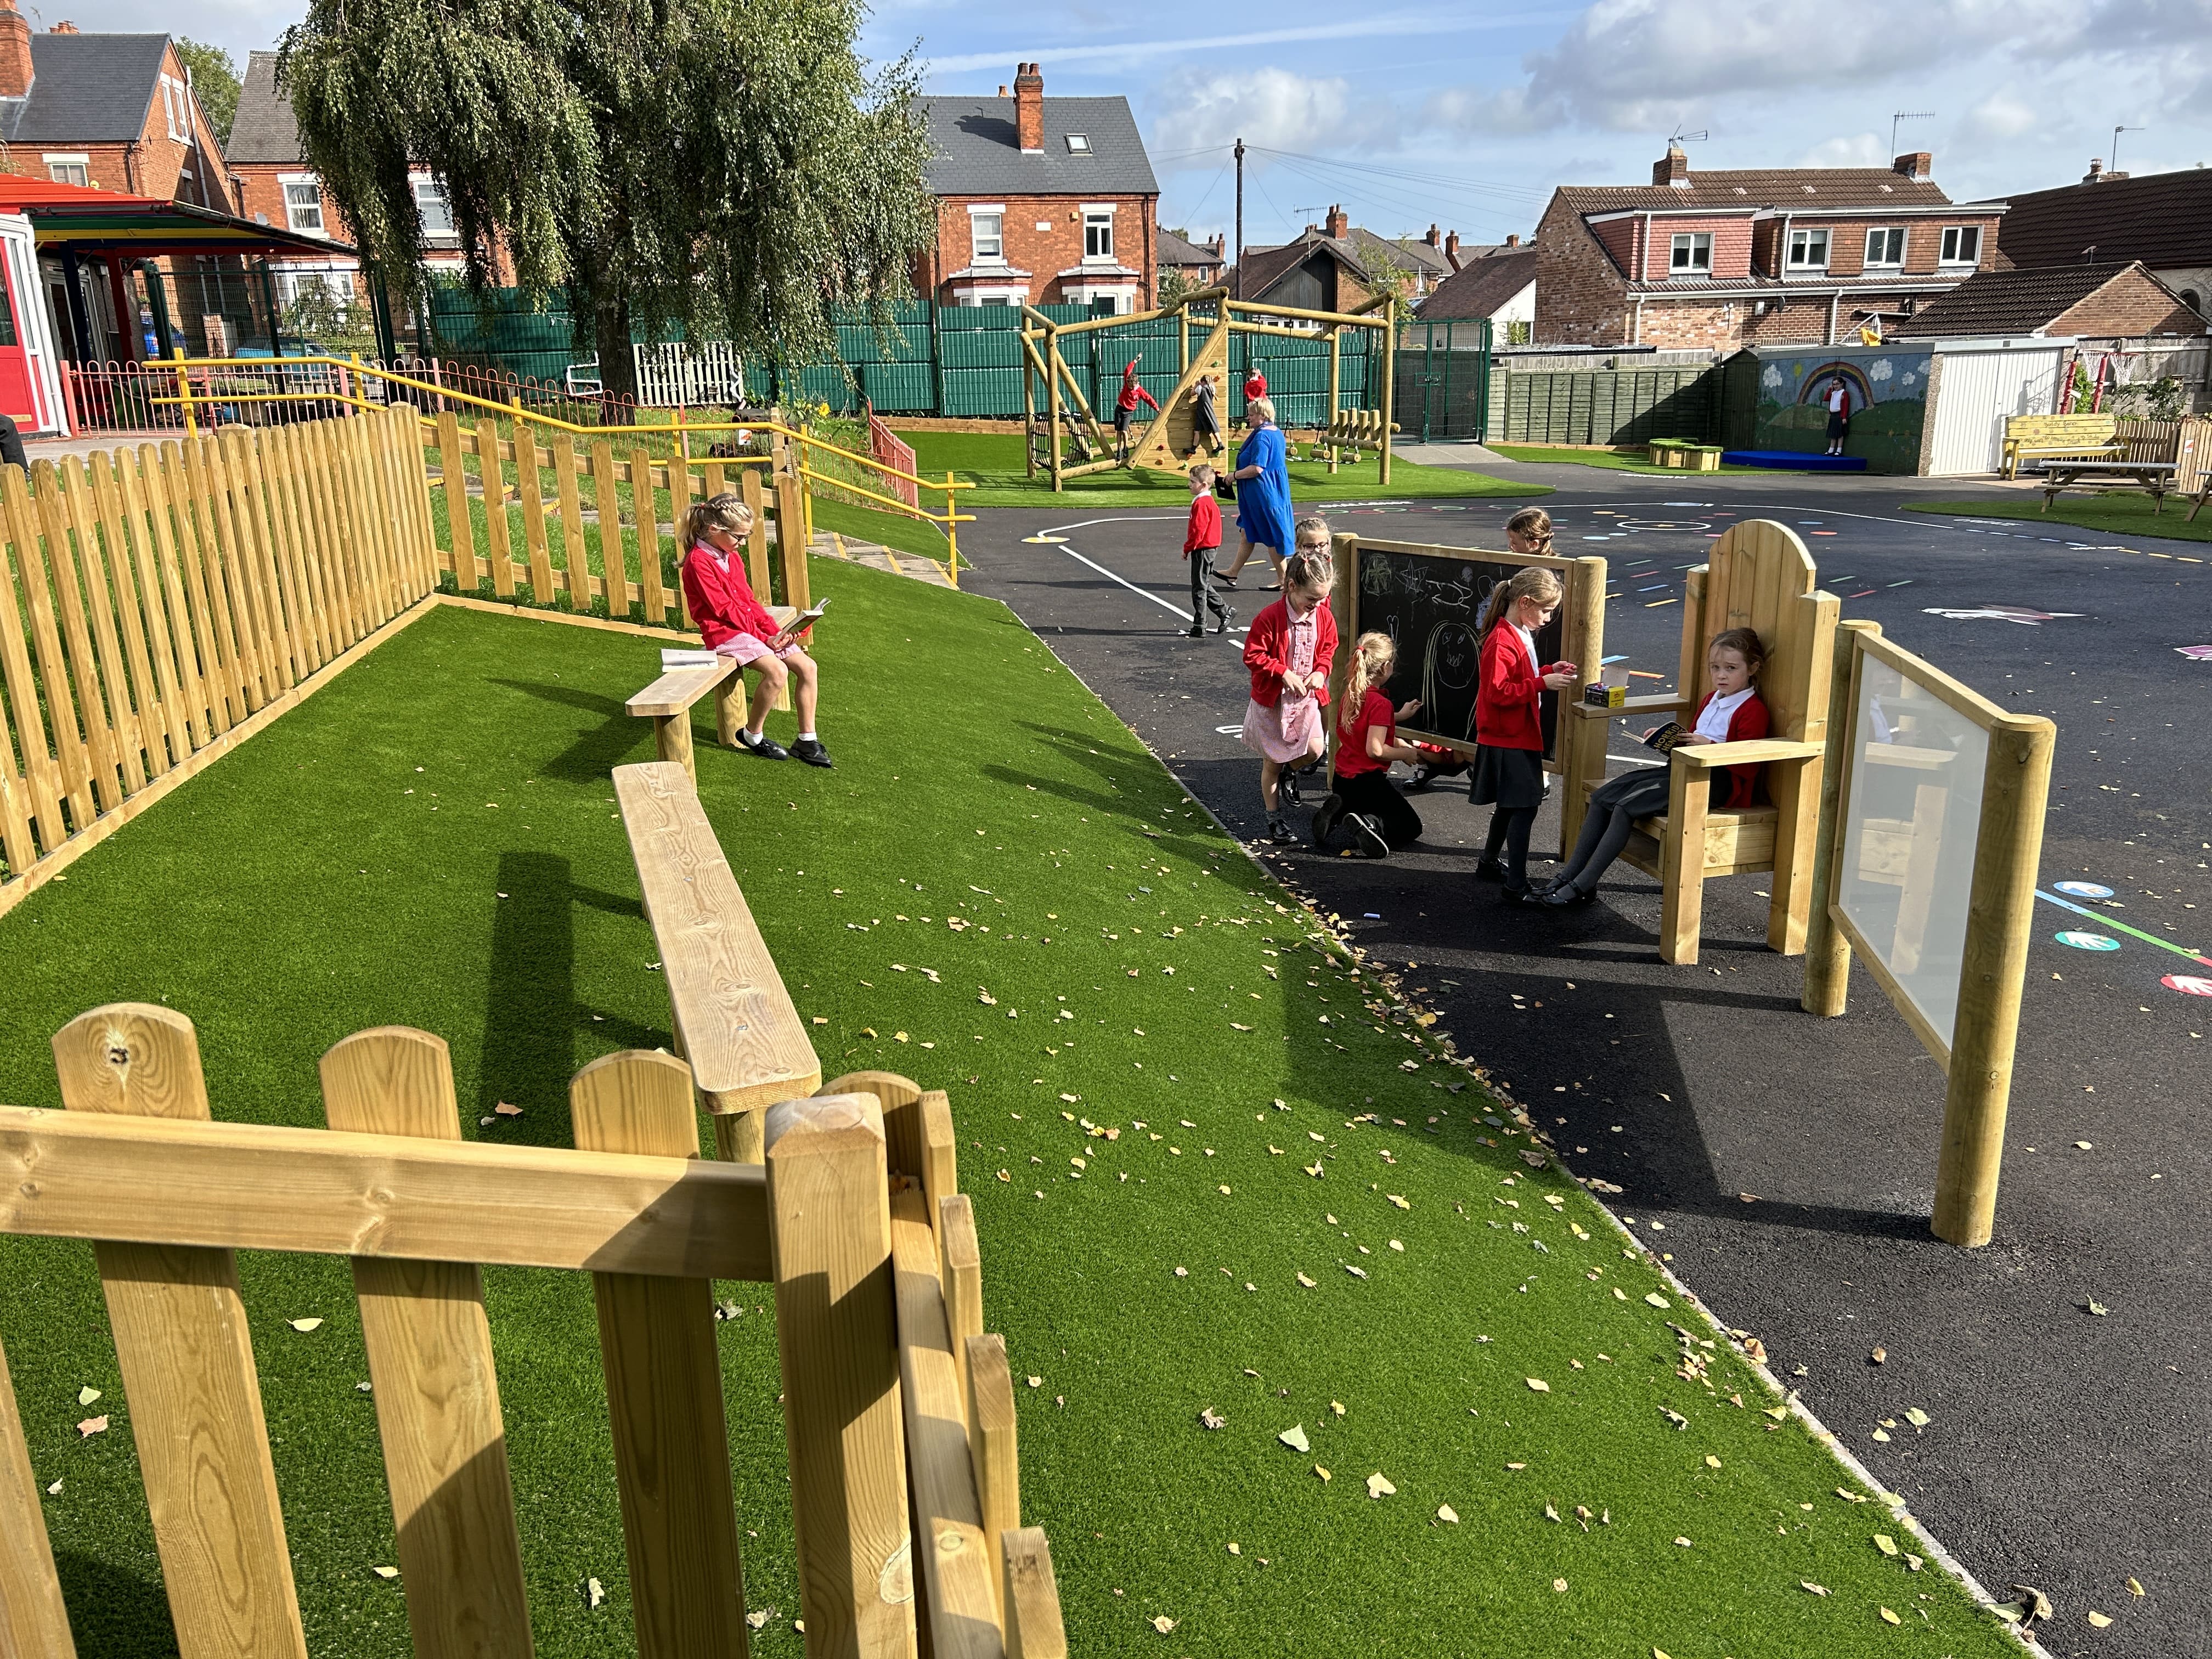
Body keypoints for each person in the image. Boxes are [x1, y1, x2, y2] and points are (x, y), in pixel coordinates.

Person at [1531, 628, 1769, 907]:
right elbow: (1690, 739)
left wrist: (1709, 745)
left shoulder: (1752, 709)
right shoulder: (1711, 699)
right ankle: (1569, 875)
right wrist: (1667, 737)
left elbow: (1749, 763)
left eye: (1731, 668)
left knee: (1625, 807)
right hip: (1681, 770)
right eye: (1715, 668)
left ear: (1752, 668)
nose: (1721, 675)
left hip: (1715, 783)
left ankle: (1583, 885)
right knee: (1602, 797)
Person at [678, 493, 833, 768]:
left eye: (746, 537)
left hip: (746, 629)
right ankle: (753, 734)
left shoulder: (731, 556)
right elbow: (724, 610)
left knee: (808, 667)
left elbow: (748, 601)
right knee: (778, 672)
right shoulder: (698, 562)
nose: (743, 543)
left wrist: (780, 631)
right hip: (723, 633)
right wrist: (766, 638)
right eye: (739, 537)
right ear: (714, 530)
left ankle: (807, 741)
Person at [1469, 566, 1577, 897]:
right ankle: (1516, 885)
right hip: (1508, 737)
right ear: (1526, 602)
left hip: (1514, 735)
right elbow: (1497, 693)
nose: (1548, 618)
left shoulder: (1519, 631)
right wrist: (1542, 683)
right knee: (1525, 806)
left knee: (1510, 805)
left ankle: (1489, 861)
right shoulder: (1502, 640)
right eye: (1546, 610)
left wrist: (1546, 671)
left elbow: (1520, 677)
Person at [1240, 545, 1338, 845]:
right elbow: (1253, 654)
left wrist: (1321, 671)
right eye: (1312, 599)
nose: (1317, 605)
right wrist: (1283, 672)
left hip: (1305, 699)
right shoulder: (1270, 617)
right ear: (1292, 586)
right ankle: (1274, 819)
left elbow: (1328, 650)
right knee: (1272, 763)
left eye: (1322, 599)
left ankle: (1289, 773)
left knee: (1315, 750)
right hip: (1274, 702)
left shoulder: (1323, 616)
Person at [1312, 630, 1423, 857]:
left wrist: (1398, 716)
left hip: (1343, 780)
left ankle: (1339, 812)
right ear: (1385, 668)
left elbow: (1367, 723)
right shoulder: (1380, 704)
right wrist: (1405, 752)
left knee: (1359, 804)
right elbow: (1375, 750)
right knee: (1410, 825)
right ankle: (1371, 825)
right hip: (1368, 783)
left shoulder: (1352, 694)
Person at [1218, 395, 1293, 589]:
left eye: (1252, 414)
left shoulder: (1263, 436)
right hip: (1269, 490)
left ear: (1262, 415)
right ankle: (1233, 572)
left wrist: (1234, 476)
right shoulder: (1275, 432)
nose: (1248, 418)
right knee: (1247, 532)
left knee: (1270, 534)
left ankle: (1284, 579)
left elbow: (1257, 468)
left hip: (1263, 492)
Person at [1182, 464, 1234, 637]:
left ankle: (1200, 624)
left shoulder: (1202, 503)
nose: (1189, 484)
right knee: (1202, 584)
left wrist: (1187, 548)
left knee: (1199, 588)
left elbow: (1198, 530)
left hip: (1203, 548)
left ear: (1204, 485)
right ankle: (1224, 611)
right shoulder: (1205, 502)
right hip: (1207, 548)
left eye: (1192, 481)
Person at [1115, 359, 1159, 459]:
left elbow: (1148, 398)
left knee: (1124, 430)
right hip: (1119, 408)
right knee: (1118, 431)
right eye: (1128, 384)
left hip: (1128, 412)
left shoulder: (1139, 391)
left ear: (1135, 384)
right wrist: (1135, 361)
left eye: (1131, 386)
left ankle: (1125, 448)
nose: (1129, 387)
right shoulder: (1127, 382)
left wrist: (1156, 407)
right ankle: (1119, 450)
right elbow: (1127, 370)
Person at [1190, 371, 1222, 457]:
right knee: (1213, 428)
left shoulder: (1200, 388)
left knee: (1197, 431)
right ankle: (1220, 443)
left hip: (1202, 412)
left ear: (1203, 382)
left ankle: (1193, 448)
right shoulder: (1212, 388)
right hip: (1209, 411)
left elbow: (1192, 393)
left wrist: (1196, 385)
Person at [1824, 376, 1852, 456]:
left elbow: (1846, 406)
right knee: (1833, 434)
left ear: (1842, 384)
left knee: (1840, 434)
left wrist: (1844, 417)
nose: (1836, 386)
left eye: (1837, 384)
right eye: (1834, 384)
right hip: (1833, 415)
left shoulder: (1844, 393)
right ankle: (1831, 450)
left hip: (1840, 415)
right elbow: (1826, 399)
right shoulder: (1833, 393)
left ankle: (1839, 450)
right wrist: (1830, 390)